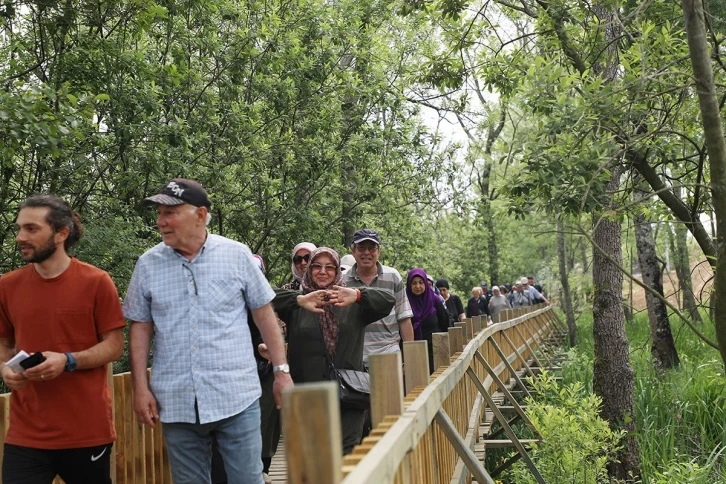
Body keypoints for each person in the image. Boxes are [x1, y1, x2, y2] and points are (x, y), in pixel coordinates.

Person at [123, 178, 293, 484]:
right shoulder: (148, 264)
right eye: (159, 213)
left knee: (247, 481)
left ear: (200, 214)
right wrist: (140, 387)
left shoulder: (237, 255)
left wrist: (281, 372)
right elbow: (140, 327)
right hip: (175, 400)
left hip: (236, 396)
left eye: (170, 213)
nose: (161, 222)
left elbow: (265, 316)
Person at [0, 195, 125, 484]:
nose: (20, 237)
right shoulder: (7, 286)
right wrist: (5, 369)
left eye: (31, 229)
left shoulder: (96, 282)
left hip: (86, 432)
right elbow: (4, 345)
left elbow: (114, 346)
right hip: (25, 434)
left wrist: (68, 360)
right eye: (19, 228)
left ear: (61, 233)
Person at [272, 247, 395, 454]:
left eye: (330, 267)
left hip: (349, 394)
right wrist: (299, 300)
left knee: (345, 454)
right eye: (317, 266)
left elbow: (387, 300)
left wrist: (357, 295)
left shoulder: (352, 303)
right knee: (312, 456)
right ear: (308, 270)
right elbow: (263, 296)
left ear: (338, 271)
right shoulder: (297, 304)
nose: (323, 271)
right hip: (307, 394)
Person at [342, 229, 413, 368]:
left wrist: (410, 358)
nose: (367, 253)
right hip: (353, 357)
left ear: (379, 251)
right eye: (361, 248)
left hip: (389, 352)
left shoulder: (393, 276)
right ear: (353, 250)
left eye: (372, 248)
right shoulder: (342, 281)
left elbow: (404, 317)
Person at [406, 269, 449, 373]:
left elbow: (445, 323)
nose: (417, 286)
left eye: (421, 283)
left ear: (425, 283)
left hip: (435, 348)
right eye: (414, 283)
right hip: (412, 349)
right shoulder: (404, 301)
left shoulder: (435, 300)